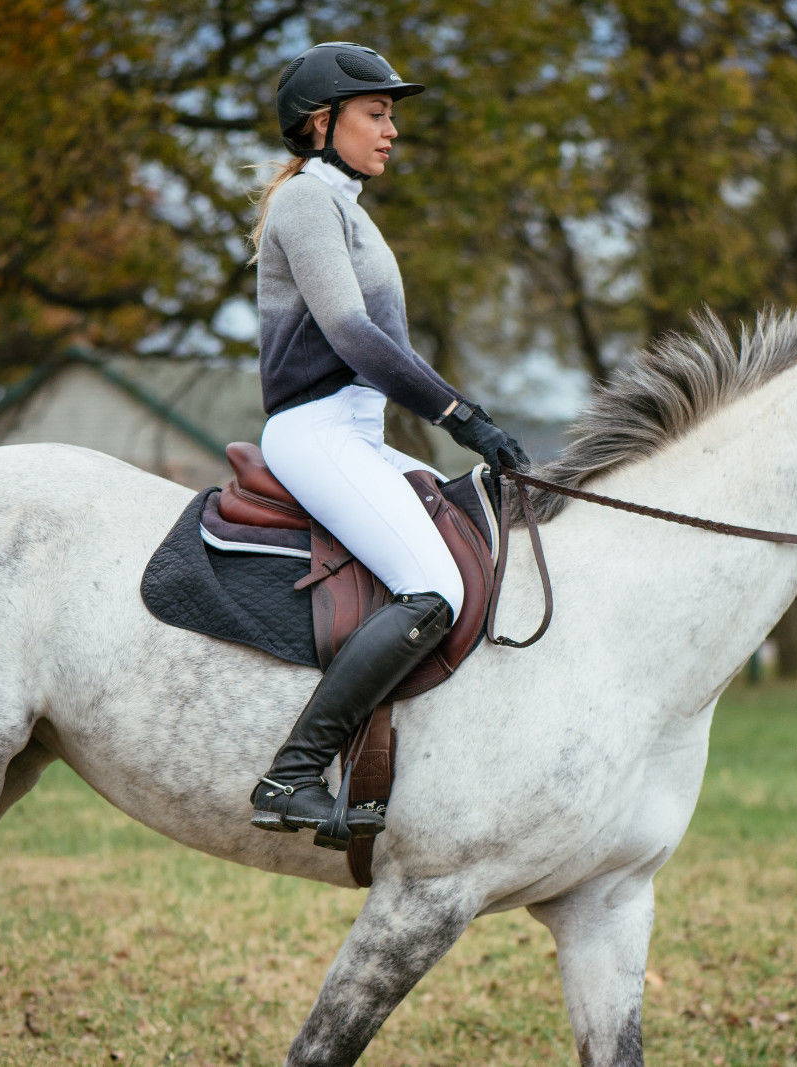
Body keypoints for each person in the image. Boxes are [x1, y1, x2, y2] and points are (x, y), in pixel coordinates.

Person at [246, 42, 528, 847]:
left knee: (479, 531)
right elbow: (351, 334)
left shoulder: (347, 209)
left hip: (359, 433)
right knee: (433, 586)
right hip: (315, 429)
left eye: (393, 115)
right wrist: (460, 414)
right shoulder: (307, 203)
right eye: (377, 113)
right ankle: (293, 774)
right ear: (321, 122)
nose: (391, 129)